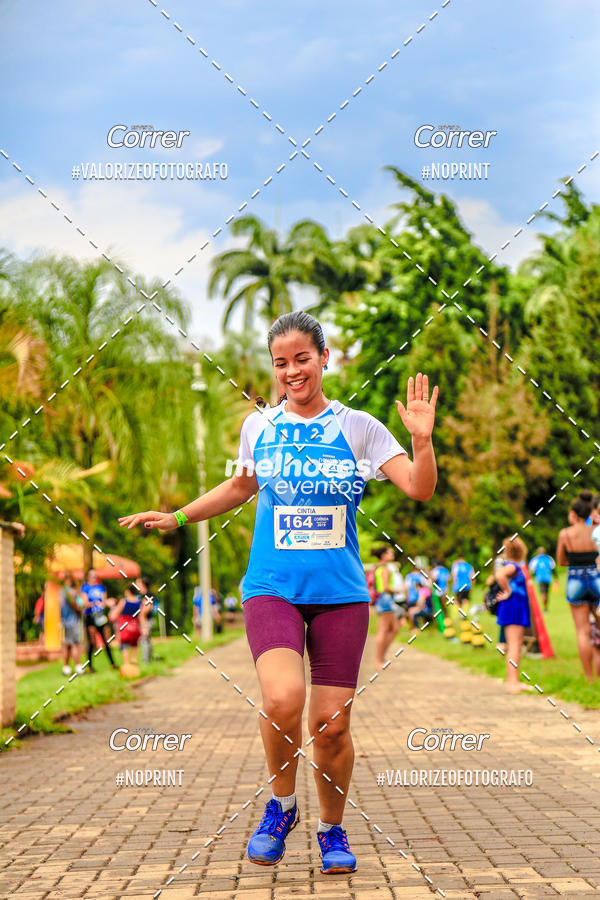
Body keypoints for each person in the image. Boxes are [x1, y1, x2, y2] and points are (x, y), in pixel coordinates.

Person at [119, 310, 438, 875]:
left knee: (332, 723)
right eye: (281, 363)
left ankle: (332, 830)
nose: (292, 371)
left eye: (302, 359)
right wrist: (178, 516)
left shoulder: (359, 427)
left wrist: (422, 440)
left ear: (324, 358)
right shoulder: (258, 428)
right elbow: (242, 485)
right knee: (282, 700)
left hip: (340, 593)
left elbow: (418, 486)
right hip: (272, 588)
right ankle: (282, 806)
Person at [556, 490, 600, 682]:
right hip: (597, 578)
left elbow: (561, 560)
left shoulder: (565, 533)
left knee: (582, 631)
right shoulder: (596, 532)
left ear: (575, 513)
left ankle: (589, 677)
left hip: (575, 580)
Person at [495, 537, 533, 694]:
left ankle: (514, 680)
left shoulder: (514, 566)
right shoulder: (513, 566)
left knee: (514, 646)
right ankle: (512, 683)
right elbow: (500, 575)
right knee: (515, 646)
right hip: (514, 606)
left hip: (514, 606)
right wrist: (508, 591)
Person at [81, 569, 118, 672]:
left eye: (95, 576)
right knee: (92, 643)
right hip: (90, 617)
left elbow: (104, 601)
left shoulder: (101, 588)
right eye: (92, 576)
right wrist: (95, 603)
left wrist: (108, 602)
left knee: (107, 640)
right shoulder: (85, 588)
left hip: (101, 616)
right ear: (88, 577)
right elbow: (85, 603)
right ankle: (90, 666)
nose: (94, 578)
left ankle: (113, 664)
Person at [371, 546, 400, 669]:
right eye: (390, 553)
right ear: (383, 555)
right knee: (384, 630)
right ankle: (379, 659)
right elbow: (386, 587)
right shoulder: (385, 569)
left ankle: (382, 657)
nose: (392, 554)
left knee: (394, 628)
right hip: (386, 599)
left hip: (384, 599)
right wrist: (397, 591)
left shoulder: (377, 567)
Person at [110, 584, 147, 670]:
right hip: (135, 626)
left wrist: (112, 612)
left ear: (128, 591)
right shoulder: (139, 602)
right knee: (134, 645)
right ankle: (134, 663)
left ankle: (127, 666)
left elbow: (114, 614)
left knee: (125, 645)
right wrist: (144, 628)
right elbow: (141, 616)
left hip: (125, 626)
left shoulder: (124, 601)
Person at [59, 573, 84, 676]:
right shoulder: (73, 592)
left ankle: (66, 668)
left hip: (64, 622)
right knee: (75, 644)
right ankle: (78, 667)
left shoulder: (60, 592)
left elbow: (59, 607)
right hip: (74, 621)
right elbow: (80, 605)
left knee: (66, 646)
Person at [529, 547, 556, 611]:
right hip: (548, 578)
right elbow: (553, 569)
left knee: (543, 593)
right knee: (546, 593)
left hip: (540, 578)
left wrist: (531, 577)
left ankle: (545, 607)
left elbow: (532, 570)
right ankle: (545, 606)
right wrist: (556, 578)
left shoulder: (535, 559)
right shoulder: (549, 558)